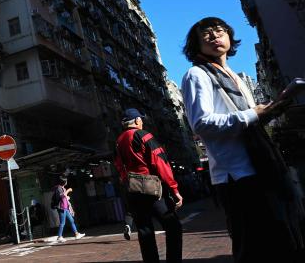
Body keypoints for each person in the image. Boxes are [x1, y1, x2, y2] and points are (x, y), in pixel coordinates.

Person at [181, 17, 304, 262]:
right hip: (237, 173)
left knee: (284, 238)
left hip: (264, 166)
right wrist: (253, 113)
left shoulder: (234, 77)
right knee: (256, 246)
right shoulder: (197, 75)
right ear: (196, 43)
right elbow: (202, 124)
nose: (215, 36)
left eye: (220, 30)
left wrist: (272, 109)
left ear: (229, 37)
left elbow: (250, 120)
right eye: (206, 33)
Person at [114, 108, 183, 263]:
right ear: (137, 120)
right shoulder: (143, 135)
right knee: (173, 226)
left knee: (145, 231)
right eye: (141, 119)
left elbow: (119, 167)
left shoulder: (118, 142)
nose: (142, 122)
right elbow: (160, 163)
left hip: (133, 191)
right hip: (152, 189)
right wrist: (174, 189)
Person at [53, 177, 85, 243]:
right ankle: (59, 236)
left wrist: (67, 198)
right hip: (61, 208)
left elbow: (63, 197)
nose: (67, 182)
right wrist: (69, 190)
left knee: (71, 220)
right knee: (62, 223)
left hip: (65, 207)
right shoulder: (58, 188)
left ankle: (76, 234)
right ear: (64, 182)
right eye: (66, 181)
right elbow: (62, 195)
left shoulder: (62, 188)